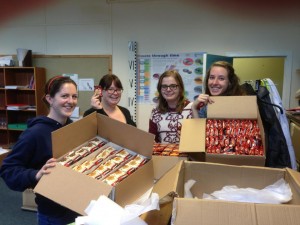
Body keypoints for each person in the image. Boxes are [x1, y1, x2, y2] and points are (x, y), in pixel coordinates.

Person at [0, 76, 79, 225]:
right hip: (54, 214)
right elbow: (8, 170)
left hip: (78, 207)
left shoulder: (72, 128)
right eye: (64, 96)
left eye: (74, 96)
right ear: (50, 99)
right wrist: (36, 174)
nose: (71, 101)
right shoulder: (35, 133)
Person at [148, 70, 193, 144]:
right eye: (164, 86)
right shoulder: (155, 112)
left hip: (187, 155)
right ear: (160, 89)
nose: (168, 89)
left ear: (180, 88)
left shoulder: (192, 109)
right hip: (164, 155)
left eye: (173, 86)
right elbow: (153, 141)